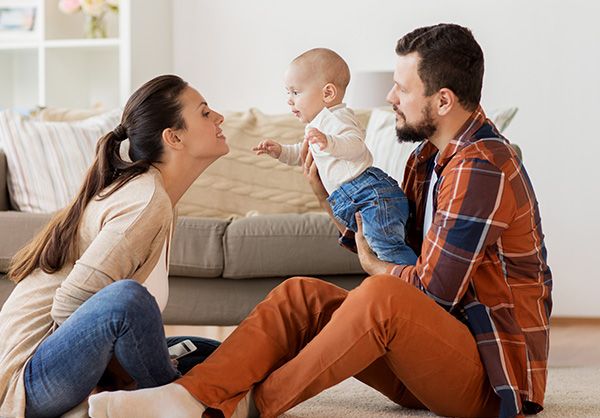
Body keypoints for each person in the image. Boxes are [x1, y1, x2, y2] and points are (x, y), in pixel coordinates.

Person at [90, 23, 553, 418]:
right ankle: (190, 395)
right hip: (428, 355)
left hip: (493, 381)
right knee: (301, 295)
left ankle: (237, 406)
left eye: (403, 87)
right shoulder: (426, 159)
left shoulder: (481, 166)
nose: (389, 96)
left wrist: (379, 274)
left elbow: (432, 294)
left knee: (381, 294)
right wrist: (322, 194)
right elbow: (393, 249)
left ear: (445, 100)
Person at [0, 74, 228, 418]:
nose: (219, 118)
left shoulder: (158, 196)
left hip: (59, 364)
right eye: (205, 113)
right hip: (30, 380)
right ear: (174, 137)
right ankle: (174, 402)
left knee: (214, 354)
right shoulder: (145, 200)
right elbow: (69, 307)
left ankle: (168, 392)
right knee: (128, 299)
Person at [253, 48, 417, 265]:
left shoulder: (336, 118)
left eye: (295, 92)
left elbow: (356, 146)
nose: (289, 101)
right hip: (356, 198)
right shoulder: (317, 125)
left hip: (369, 194)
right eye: (288, 93)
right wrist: (281, 152)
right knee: (380, 249)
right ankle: (408, 284)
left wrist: (328, 142)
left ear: (328, 93)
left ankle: (417, 285)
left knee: (388, 250)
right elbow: (303, 155)